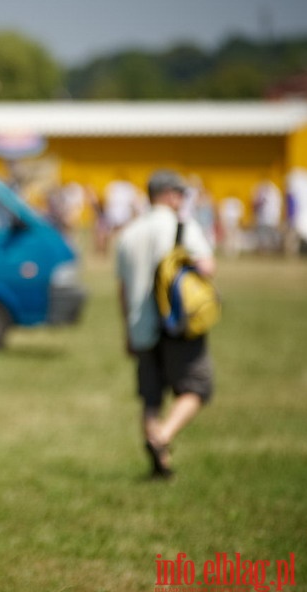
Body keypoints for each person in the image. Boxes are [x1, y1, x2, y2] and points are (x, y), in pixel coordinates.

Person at [115, 169, 216, 478]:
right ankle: (163, 436)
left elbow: (122, 289)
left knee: (151, 396)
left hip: (141, 325)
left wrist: (127, 332)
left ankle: (160, 464)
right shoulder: (181, 227)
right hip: (179, 324)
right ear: (170, 194)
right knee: (197, 386)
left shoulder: (128, 233)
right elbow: (207, 267)